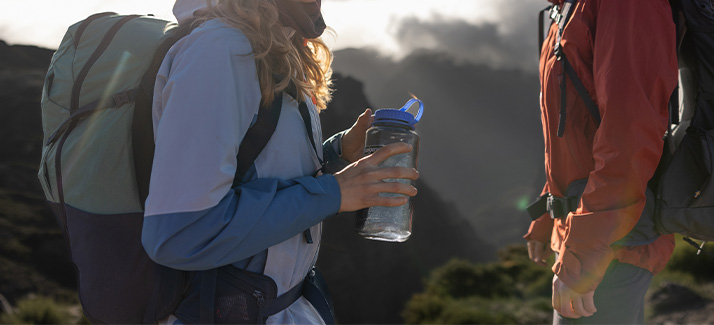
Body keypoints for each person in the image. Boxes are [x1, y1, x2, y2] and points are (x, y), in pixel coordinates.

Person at [140, 0, 419, 323]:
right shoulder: (221, 52)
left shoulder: (271, 48)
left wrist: (337, 150)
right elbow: (181, 235)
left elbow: (252, 168)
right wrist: (334, 193)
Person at [524, 0, 678, 323]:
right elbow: (578, 134)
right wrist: (548, 213)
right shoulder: (567, 9)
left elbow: (629, 136)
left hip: (611, 244)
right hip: (587, 231)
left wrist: (583, 255)